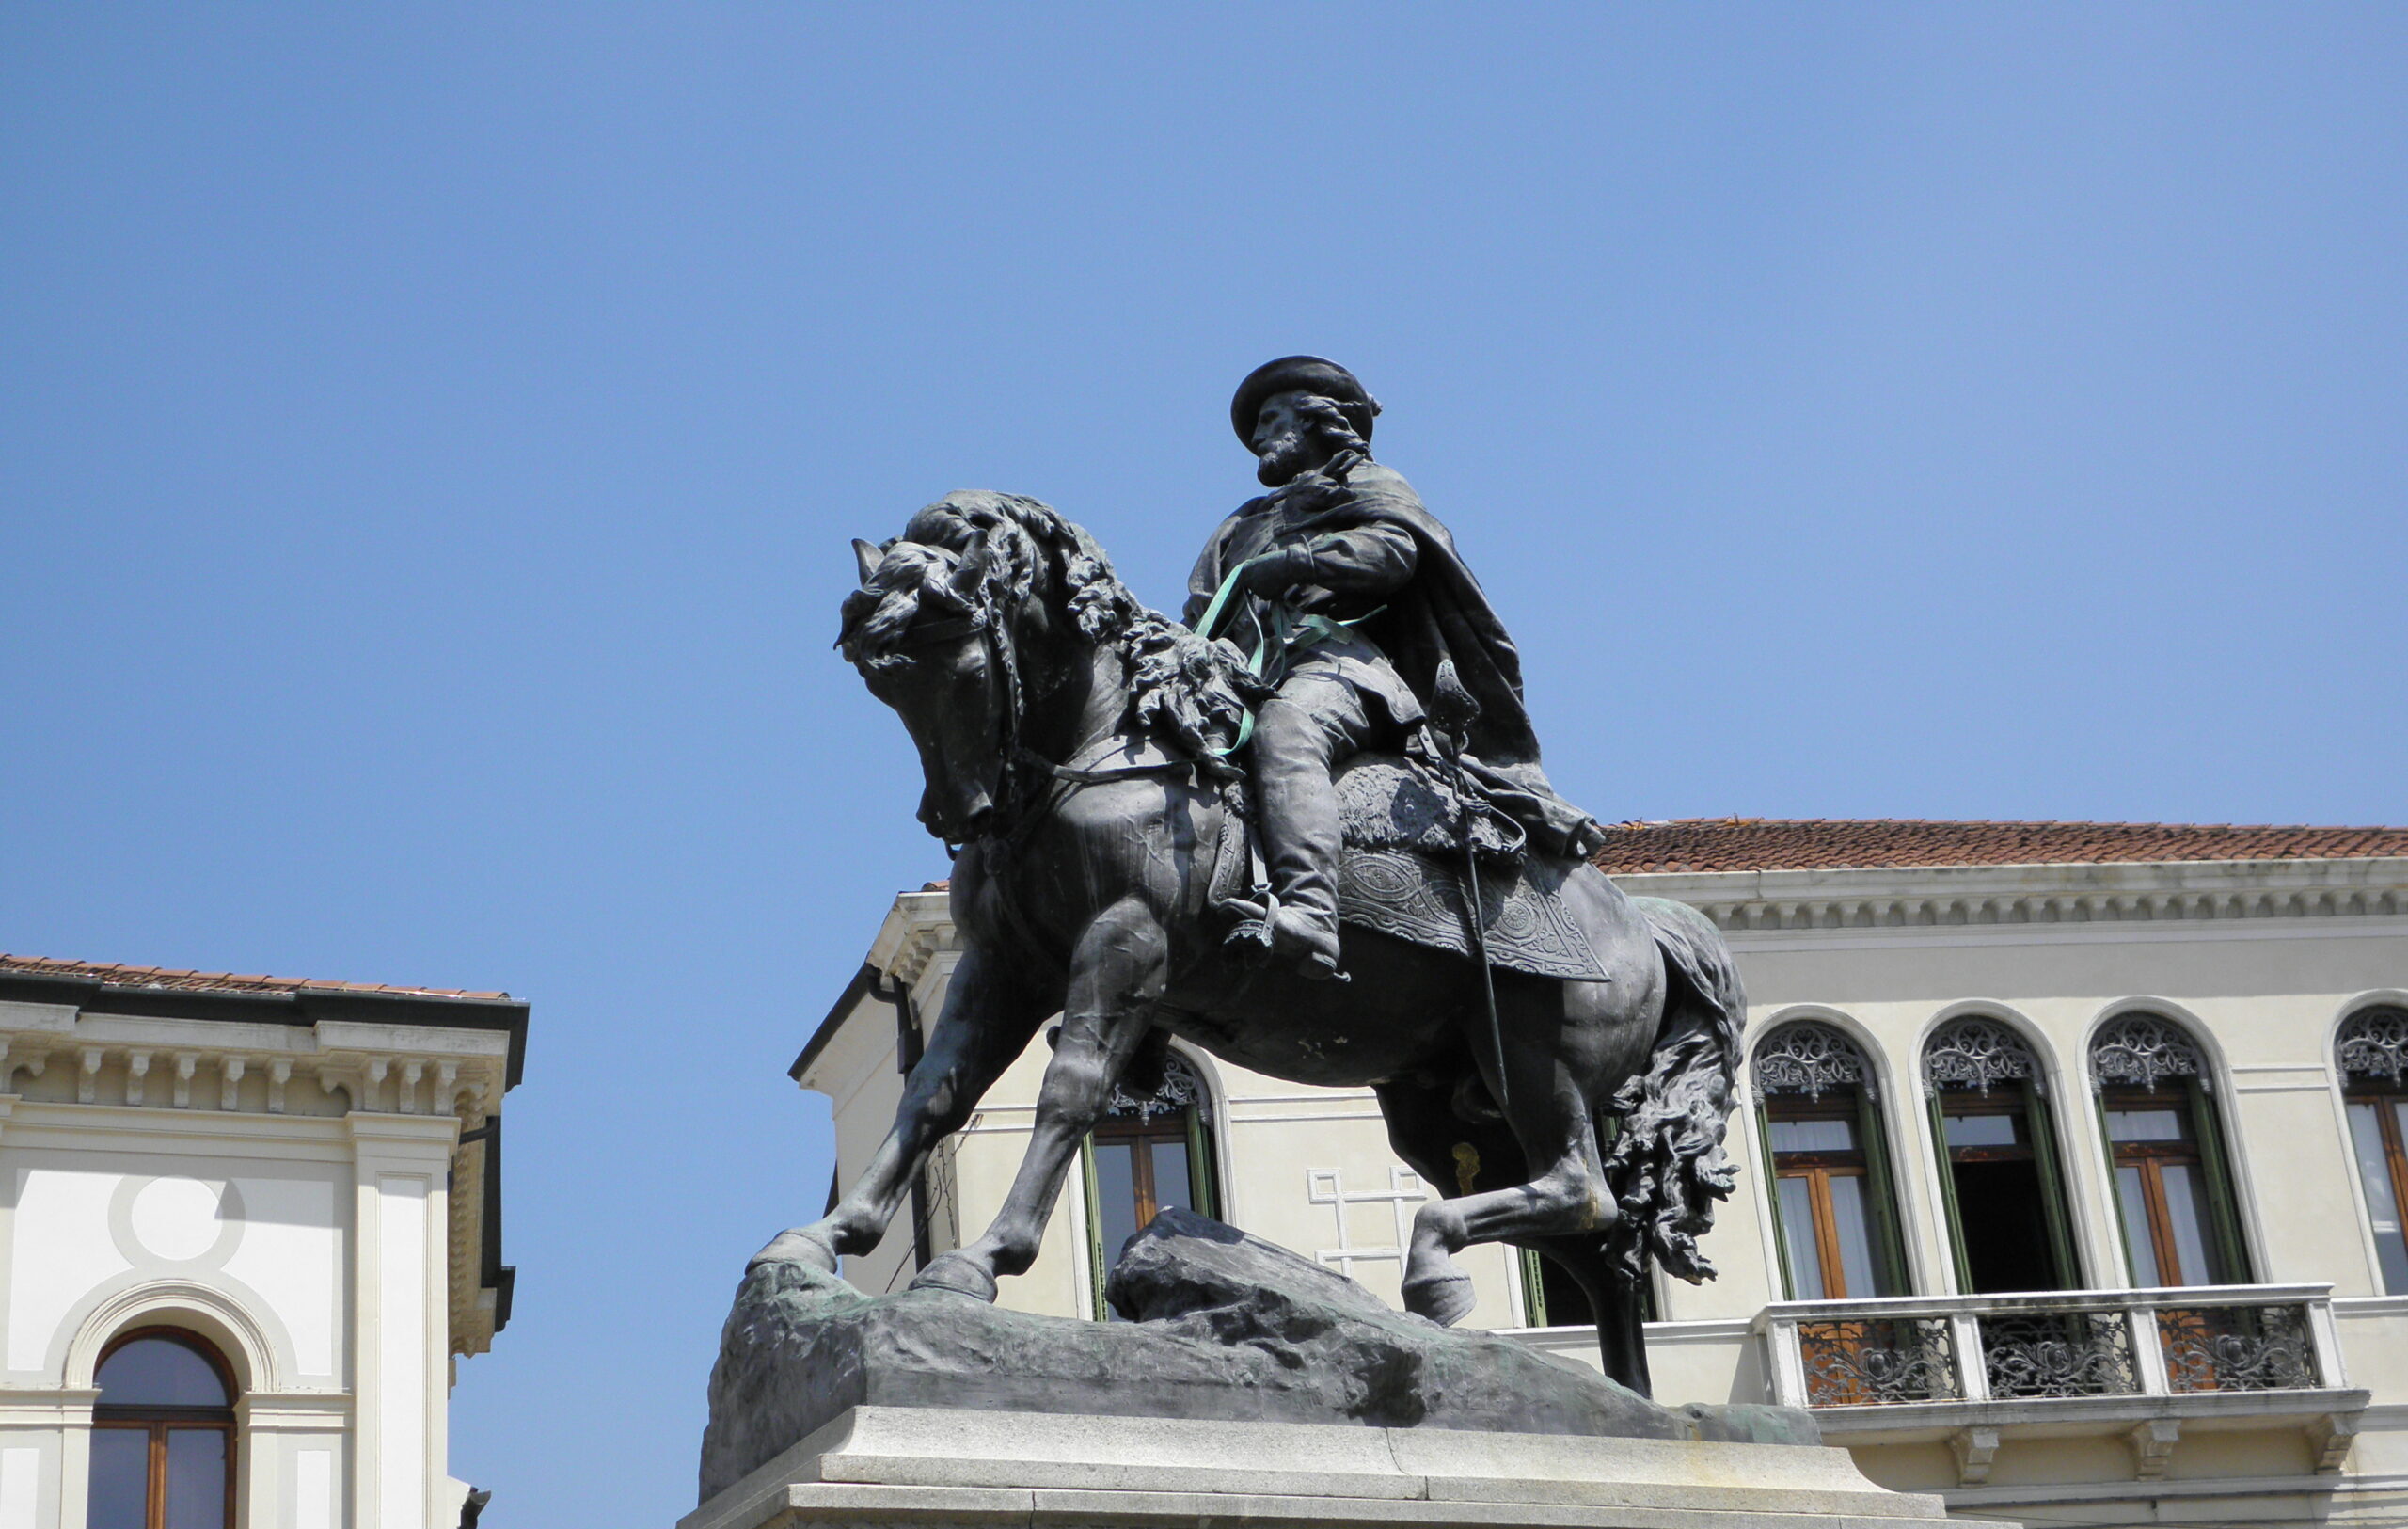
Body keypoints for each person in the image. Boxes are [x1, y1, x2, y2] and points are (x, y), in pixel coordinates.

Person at [1184, 357, 1603, 980]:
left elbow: (1393, 551)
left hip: (1338, 669)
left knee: (1287, 726)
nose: (1261, 437)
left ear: (1318, 421)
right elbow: (1199, 606)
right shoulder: (1238, 525)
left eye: (1273, 420)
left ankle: (1310, 909)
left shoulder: (1367, 482)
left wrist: (1299, 560)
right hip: (1238, 679)